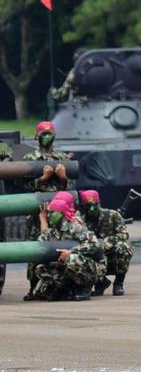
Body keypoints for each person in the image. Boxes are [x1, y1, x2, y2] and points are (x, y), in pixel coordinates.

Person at [22, 121, 73, 300]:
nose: (46, 137)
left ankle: (64, 284)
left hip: (61, 212)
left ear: (54, 135)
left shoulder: (63, 158)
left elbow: (70, 188)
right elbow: (24, 186)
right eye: (43, 134)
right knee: (35, 247)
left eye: (49, 133)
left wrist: (63, 177)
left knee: (63, 244)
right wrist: (42, 179)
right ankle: (32, 286)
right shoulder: (30, 159)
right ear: (37, 137)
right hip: (37, 210)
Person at [32, 191, 104, 301]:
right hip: (66, 267)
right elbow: (44, 239)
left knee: (72, 259)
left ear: (61, 213)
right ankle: (64, 288)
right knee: (40, 271)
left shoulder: (74, 225)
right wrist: (43, 218)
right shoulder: (55, 228)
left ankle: (84, 288)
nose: (49, 214)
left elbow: (94, 244)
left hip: (90, 266)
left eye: (52, 212)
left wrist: (71, 252)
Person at [78, 190, 133, 296]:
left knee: (124, 247)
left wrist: (107, 242)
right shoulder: (80, 221)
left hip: (110, 253)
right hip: (94, 255)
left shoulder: (112, 215)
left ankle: (119, 283)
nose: (92, 208)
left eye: (95, 204)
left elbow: (124, 234)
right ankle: (100, 283)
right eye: (89, 205)